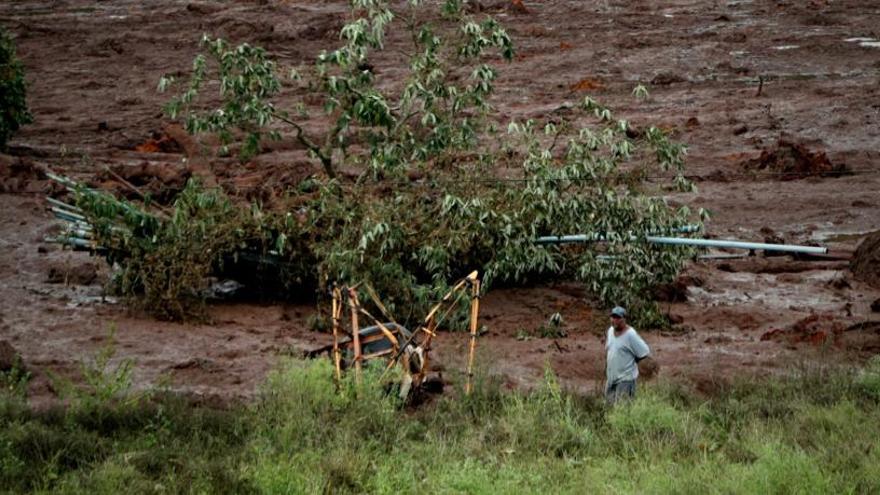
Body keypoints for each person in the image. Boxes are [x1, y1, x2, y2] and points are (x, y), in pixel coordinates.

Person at [604, 306, 650, 404]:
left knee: (622, 410)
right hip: (611, 379)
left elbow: (644, 352)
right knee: (609, 410)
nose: (614, 320)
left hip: (625, 380)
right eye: (613, 317)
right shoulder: (610, 331)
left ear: (624, 319)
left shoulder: (631, 335)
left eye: (618, 318)